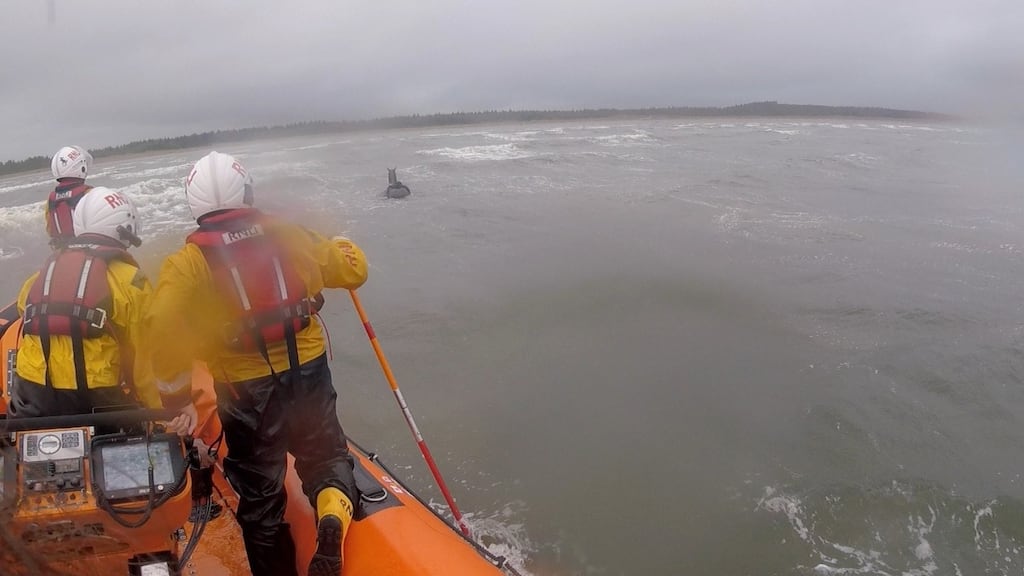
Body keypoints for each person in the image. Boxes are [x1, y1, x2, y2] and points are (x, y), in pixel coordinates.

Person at [151, 151, 367, 576]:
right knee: (325, 457)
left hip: (244, 389)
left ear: (194, 203)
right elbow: (353, 270)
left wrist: (177, 397)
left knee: (260, 494)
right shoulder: (289, 235)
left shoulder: (188, 262)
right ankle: (330, 516)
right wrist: (341, 243)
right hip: (308, 370)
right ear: (246, 192)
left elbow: (162, 328)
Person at [9, 187, 159, 418]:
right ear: (125, 229)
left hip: (33, 395)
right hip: (98, 397)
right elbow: (147, 358)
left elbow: (23, 310)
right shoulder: (132, 283)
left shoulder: (39, 277)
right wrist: (160, 410)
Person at [46, 145, 95, 248]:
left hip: (61, 250)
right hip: (89, 249)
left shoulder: (51, 199)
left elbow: (50, 230)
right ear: (81, 167)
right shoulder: (89, 193)